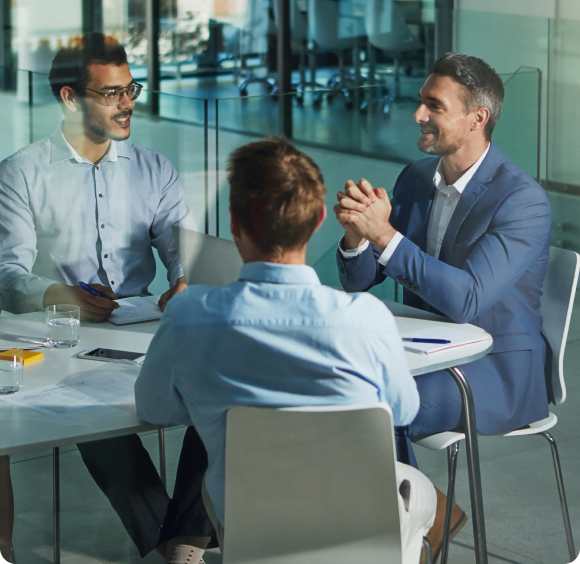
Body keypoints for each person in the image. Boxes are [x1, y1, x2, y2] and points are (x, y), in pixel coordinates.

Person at [136, 137, 437, 564]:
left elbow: (153, 407)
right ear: (318, 221)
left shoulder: (187, 316)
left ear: (234, 222)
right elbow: (403, 412)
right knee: (414, 492)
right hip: (359, 530)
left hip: (250, 531)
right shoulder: (365, 319)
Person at [0, 33, 214, 562]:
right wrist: (58, 293)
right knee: (89, 414)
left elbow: (184, 248)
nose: (128, 104)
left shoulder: (154, 168)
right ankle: (174, 546)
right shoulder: (21, 173)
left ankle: (183, 540)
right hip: (64, 337)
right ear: (70, 98)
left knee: (224, 392)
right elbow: (6, 273)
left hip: (146, 327)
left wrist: (186, 279)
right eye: (111, 93)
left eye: (131, 89)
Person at [334, 52, 552, 560]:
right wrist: (356, 240)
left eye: (434, 105)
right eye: (420, 102)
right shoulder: (416, 179)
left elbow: (467, 299)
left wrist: (385, 235)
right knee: (335, 390)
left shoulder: (522, 200)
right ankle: (429, 512)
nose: (418, 114)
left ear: (477, 118)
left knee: (375, 408)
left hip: (494, 370)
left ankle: (389, 541)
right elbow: (361, 282)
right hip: (423, 355)